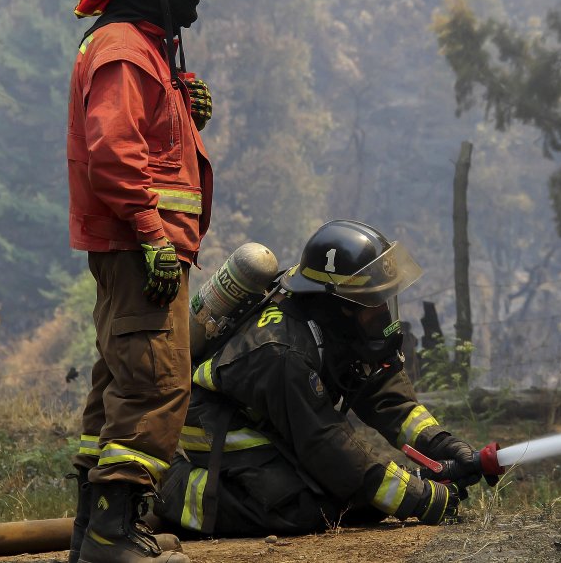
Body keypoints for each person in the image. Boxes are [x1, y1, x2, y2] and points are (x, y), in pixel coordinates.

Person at [153, 220, 483, 536]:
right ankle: (166, 492)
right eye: (374, 302)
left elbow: (386, 394)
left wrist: (442, 445)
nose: (384, 311)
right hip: (218, 420)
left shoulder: (335, 324)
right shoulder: (283, 352)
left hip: (278, 416)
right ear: (341, 303)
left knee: (351, 498)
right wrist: (420, 498)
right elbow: (328, 447)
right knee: (306, 507)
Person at [66, 0, 215, 561]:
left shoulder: (145, 50)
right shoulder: (126, 50)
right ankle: (111, 536)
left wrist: (182, 106)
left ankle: (93, 531)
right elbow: (114, 151)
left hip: (141, 249)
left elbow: (144, 141)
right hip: (140, 250)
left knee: (121, 381)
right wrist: (153, 235)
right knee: (155, 385)